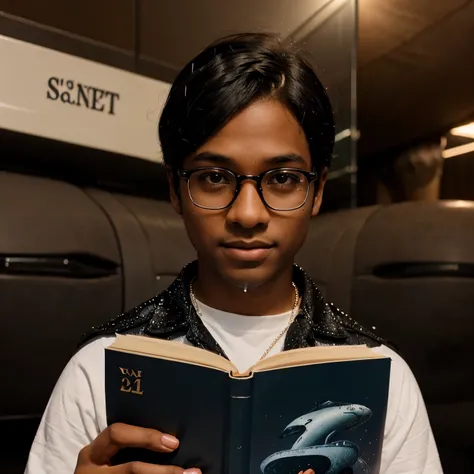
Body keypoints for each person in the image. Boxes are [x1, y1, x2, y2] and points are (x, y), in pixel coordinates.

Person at [25, 33, 443, 474]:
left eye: (281, 178)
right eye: (214, 177)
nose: (247, 213)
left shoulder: (381, 375)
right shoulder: (100, 368)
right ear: (175, 189)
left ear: (317, 190)